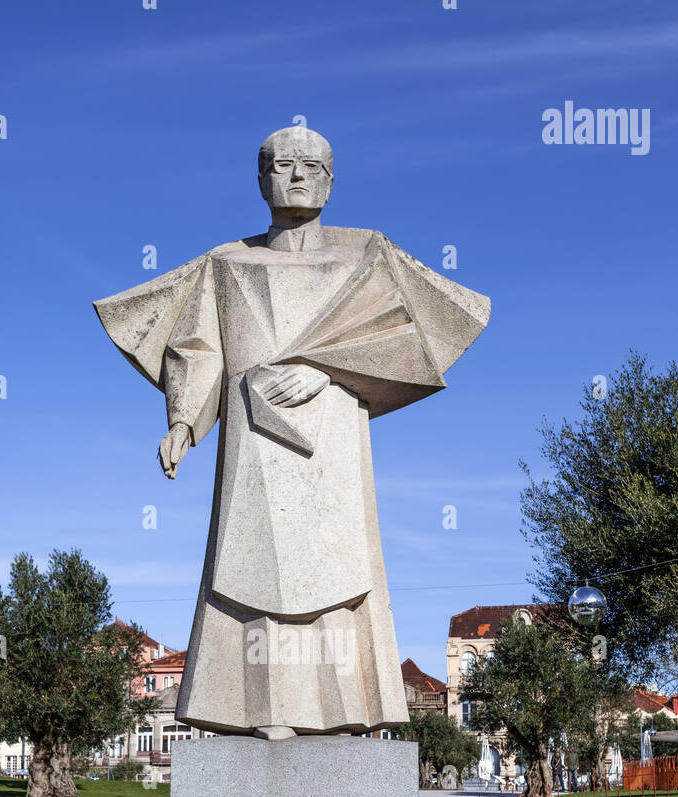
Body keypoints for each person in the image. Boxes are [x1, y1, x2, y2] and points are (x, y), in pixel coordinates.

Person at [95, 127, 489, 738]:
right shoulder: (227, 265)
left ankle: (342, 714)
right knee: (253, 569)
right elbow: (200, 349)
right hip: (253, 442)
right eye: (282, 164)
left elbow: (401, 337)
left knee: (336, 568)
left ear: (331, 181)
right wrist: (182, 422)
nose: (298, 175)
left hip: (331, 436)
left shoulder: (366, 259)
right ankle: (261, 713)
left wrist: (324, 370)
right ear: (261, 180)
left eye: (312, 165)